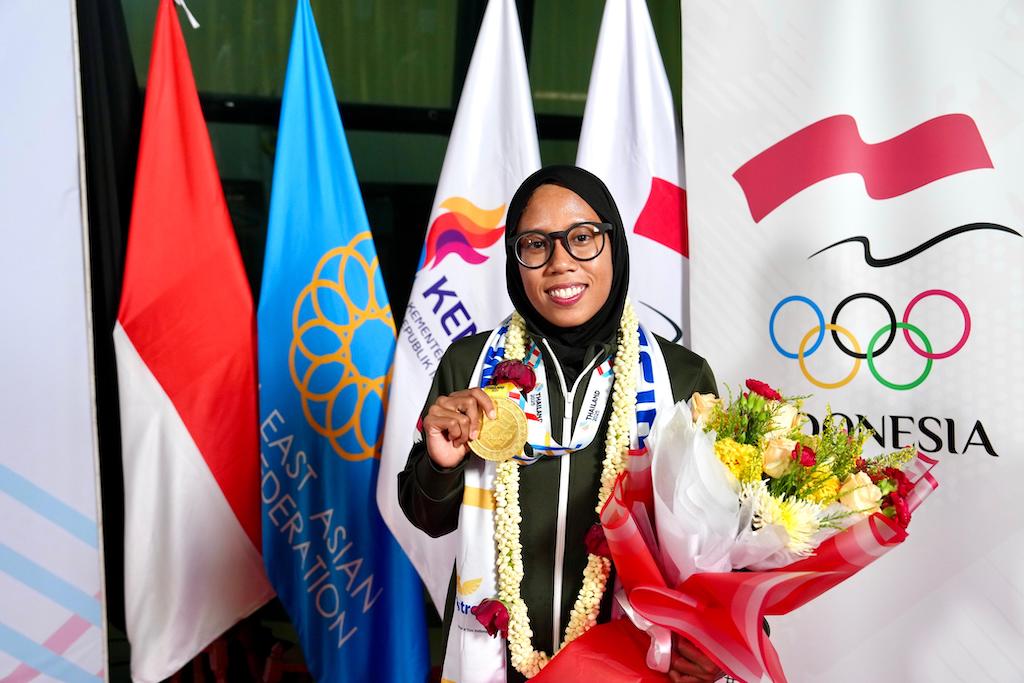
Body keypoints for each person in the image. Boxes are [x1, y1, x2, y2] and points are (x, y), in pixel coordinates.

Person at [399, 166, 724, 683]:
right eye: (535, 244)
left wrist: (714, 641)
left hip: (632, 661)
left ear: (614, 245)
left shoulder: (680, 376)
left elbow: (722, 538)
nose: (560, 262)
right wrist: (440, 465)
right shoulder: (471, 366)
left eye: (582, 237)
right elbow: (428, 518)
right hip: (499, 663)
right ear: (515, 261)